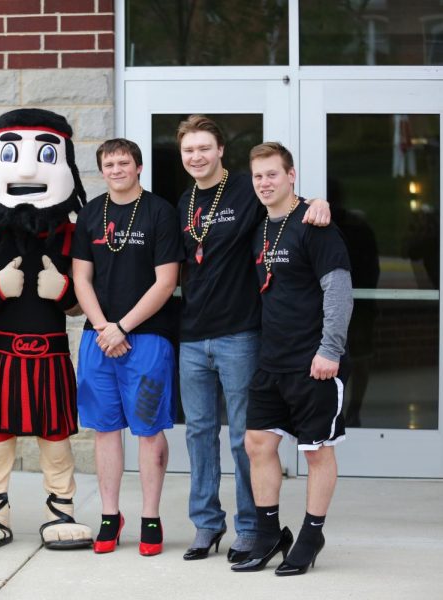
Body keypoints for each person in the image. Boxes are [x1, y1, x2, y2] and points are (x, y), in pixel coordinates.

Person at [175, 115, 330, 562]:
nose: (196, 156)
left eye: (204, 147)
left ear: (221, 150)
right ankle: (206, 525)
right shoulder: (185, 200)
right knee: (199, 433)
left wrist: (319, 202)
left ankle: (251, 527)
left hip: (239, 332)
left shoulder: (246, 188)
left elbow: (286, 201)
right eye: (188, 150)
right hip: (192, 335)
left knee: (246, 437)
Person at [0, 108, 93, 551]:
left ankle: (61, 512)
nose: (27, 168)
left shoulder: (73, 234)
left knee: (55, 433)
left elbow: (80, 302)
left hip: (50, 350)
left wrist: (64, 290)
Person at [232, 142, 352, 576]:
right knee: (257, 444)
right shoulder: (260, 226)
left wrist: (330, 350)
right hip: (272, 360)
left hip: (314, 361)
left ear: (291, 175)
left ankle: (311, 533)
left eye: (272, 174)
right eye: (258, 176)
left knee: (316, 451)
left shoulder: (316, 226)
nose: (264, 183)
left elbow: (338, 290)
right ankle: (268, 534)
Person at [72, 138, 183, 556]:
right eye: (109, 163)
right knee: (105, 429)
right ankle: (109, 514)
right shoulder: (90, 213)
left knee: (149, 431)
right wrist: (104, 327)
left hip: (148, 338)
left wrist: (123, 327)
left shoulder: (161, 212)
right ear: (102, 169)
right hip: (97, 337)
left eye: (124, 162)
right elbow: (81, 278)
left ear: (139, 167)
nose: (116, 169)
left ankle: (150, 516)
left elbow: (166, 281)